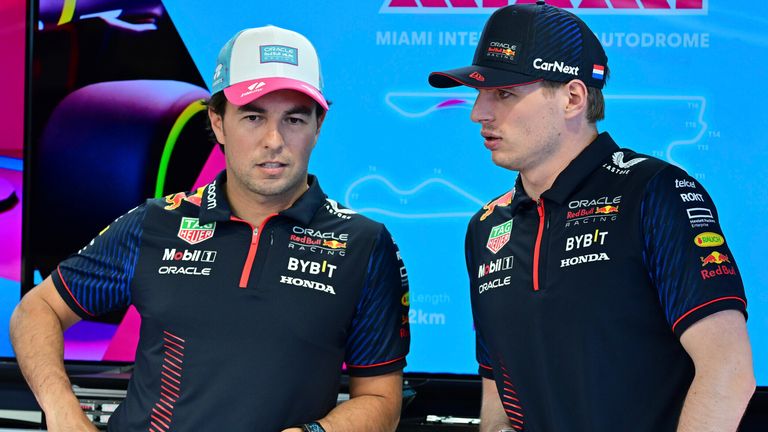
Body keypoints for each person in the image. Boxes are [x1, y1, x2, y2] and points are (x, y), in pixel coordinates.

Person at [11, 25, 410, 432]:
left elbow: (381, 399)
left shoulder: (364, 244)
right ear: (217, 122)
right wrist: (62, 411)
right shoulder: (155, 222)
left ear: (318, 126)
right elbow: (35, 310)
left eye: (293, 119)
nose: (274, 140)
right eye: (253, 117)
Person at [428, 2, 754, 431]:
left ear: (573, 97)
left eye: (503, 93)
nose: (478, 113)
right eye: (479, 94)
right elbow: (499, 392)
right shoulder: (486, 227)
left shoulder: (655, 192)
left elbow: (728, 371)